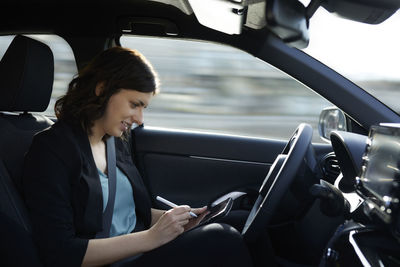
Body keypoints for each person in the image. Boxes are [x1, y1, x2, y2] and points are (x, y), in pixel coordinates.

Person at [22, 46, 253, 267]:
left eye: (144, 108)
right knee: (222, 240)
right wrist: (152, 237)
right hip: (110, 263)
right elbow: (61, 254)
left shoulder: (114, 140)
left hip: (139, 253)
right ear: (102, 89)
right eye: (135, 104)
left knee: (237, 220)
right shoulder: (51, 150)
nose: (140, 119)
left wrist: (177, 221)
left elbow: (128, 214)